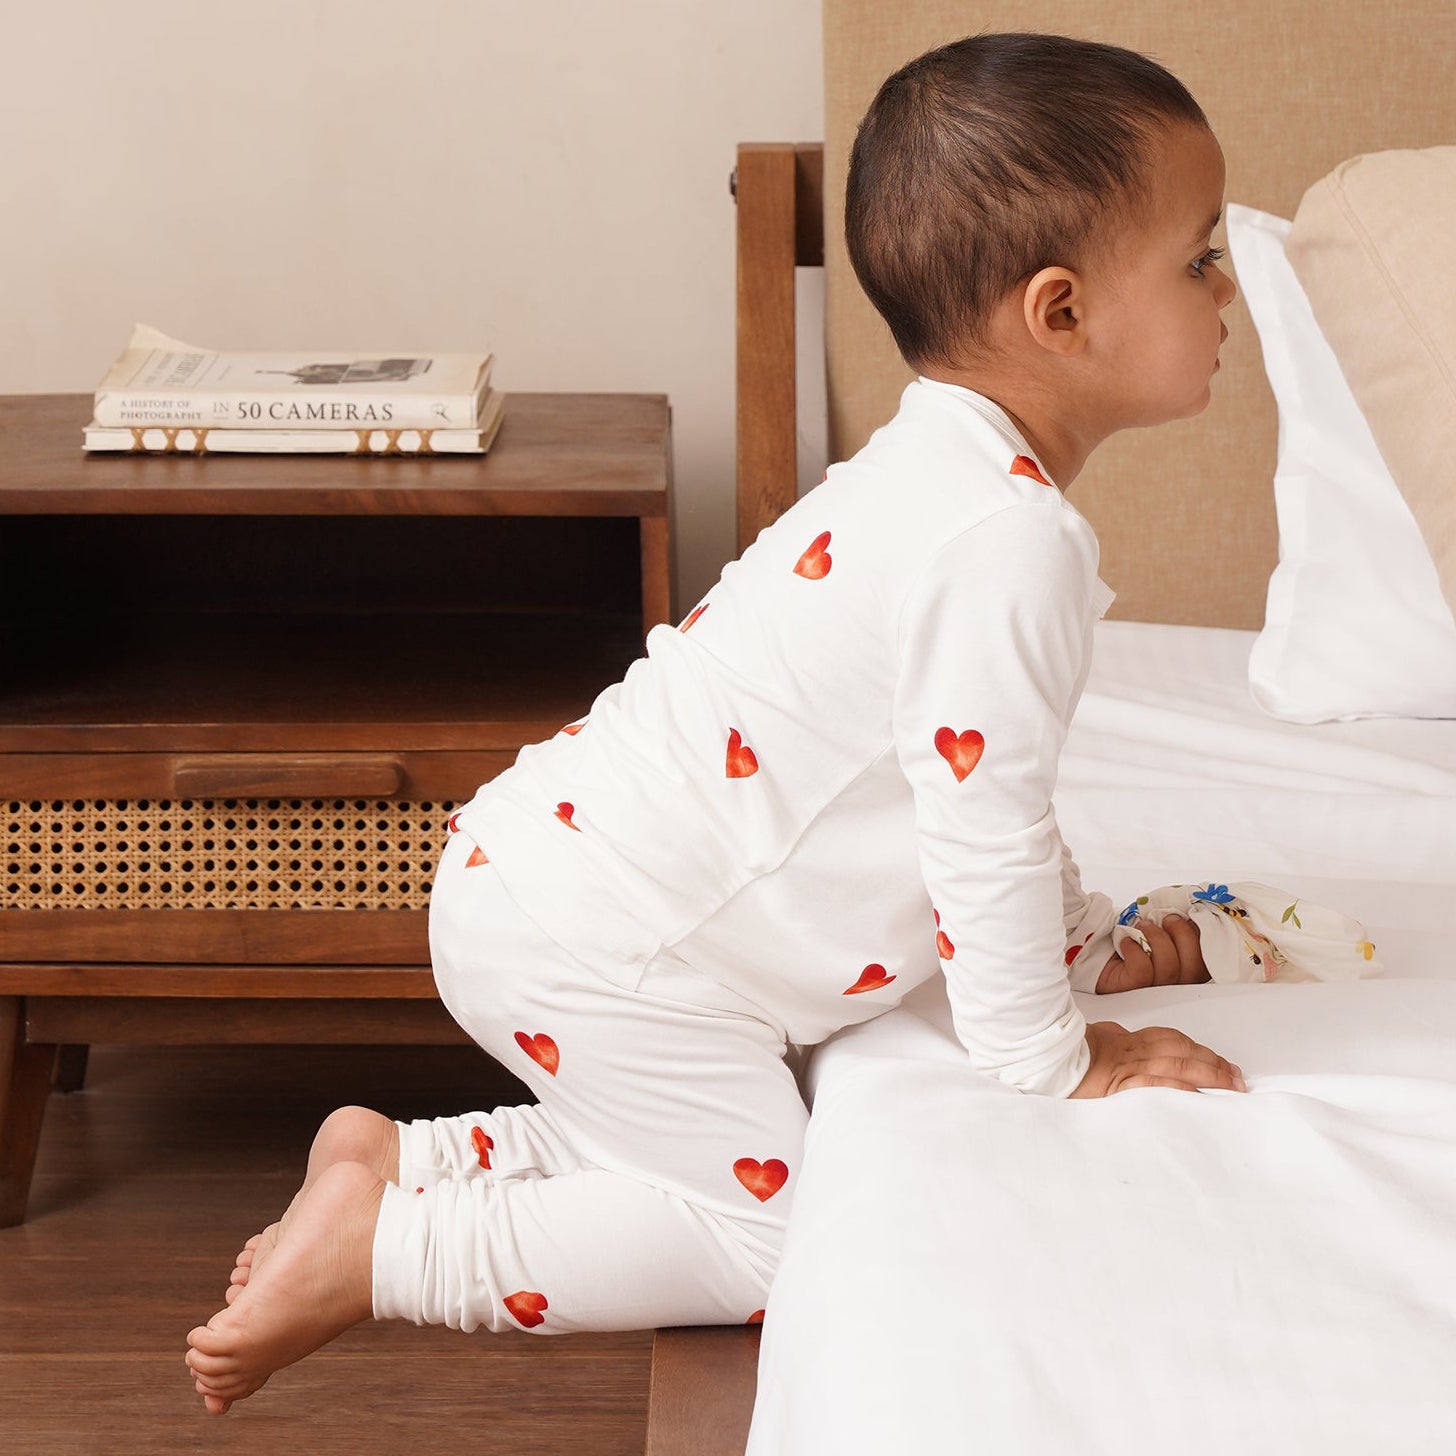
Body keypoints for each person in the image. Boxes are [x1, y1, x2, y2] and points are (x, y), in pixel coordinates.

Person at [185, 31, 1244, 1413]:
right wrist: (1053, 1055)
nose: (1232, 296)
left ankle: (398, 1161)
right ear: (1061, 313)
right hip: (614, 942)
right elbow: (981, 824)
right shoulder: (1009, 543)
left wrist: (1083, 945)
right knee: (777, 1234)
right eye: (1202, 257)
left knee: (672, 1144)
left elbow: (970, 788)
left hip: (550, 883)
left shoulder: (929, 470)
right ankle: (388, 1254)